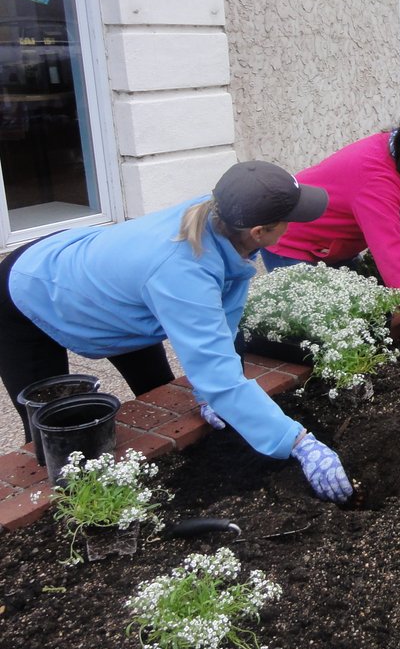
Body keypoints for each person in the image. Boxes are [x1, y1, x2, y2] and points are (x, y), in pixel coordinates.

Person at [0, 160, 355, 503]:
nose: (294, 225)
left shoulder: (224, 215)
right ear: (259, 232)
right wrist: (298, 443)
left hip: (112, 284)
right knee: (57, 436)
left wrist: (205, 391)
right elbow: (221, 378)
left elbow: (222, 322)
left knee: (158, 388)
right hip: (33, 288)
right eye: (289, 220)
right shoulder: (182, 273)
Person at [263, 105, 400, 347]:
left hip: (333, 245)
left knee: (365, 314)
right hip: (293, 241)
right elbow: (389, 253)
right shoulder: (376, 180)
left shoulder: (398, 153)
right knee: (318, 331)